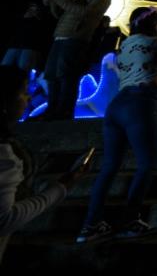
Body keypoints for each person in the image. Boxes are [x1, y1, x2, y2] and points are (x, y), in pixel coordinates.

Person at [77, 7, 157, 243]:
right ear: (151, 24)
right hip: (141, 103)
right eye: (156, 21)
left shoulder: (123, 46)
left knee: (109, 167)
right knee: (147, 163)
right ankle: (130, 220)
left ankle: (90, 225)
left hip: (117, 106)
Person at [1, 65, 91, 263]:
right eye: (23, 92)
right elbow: (5, 219)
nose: (28, 98)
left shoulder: (9, 145)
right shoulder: (4, 155)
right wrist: (61, 187)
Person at [41, 0, 111, 120]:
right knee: (52, 74)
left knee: (67, 75)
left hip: (75, 38)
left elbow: (84, 13)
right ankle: (52, 110)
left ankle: (64, 111)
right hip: (60, 37)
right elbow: (61, 15)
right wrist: (53, 2)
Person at [2, 4, 50, 74]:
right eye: (31, 9)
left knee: (23, 66)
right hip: (15, 44)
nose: (32, 11)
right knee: (6, 64)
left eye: (35, 9)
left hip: (29, 46)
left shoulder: (40, 20)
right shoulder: (21, 17)